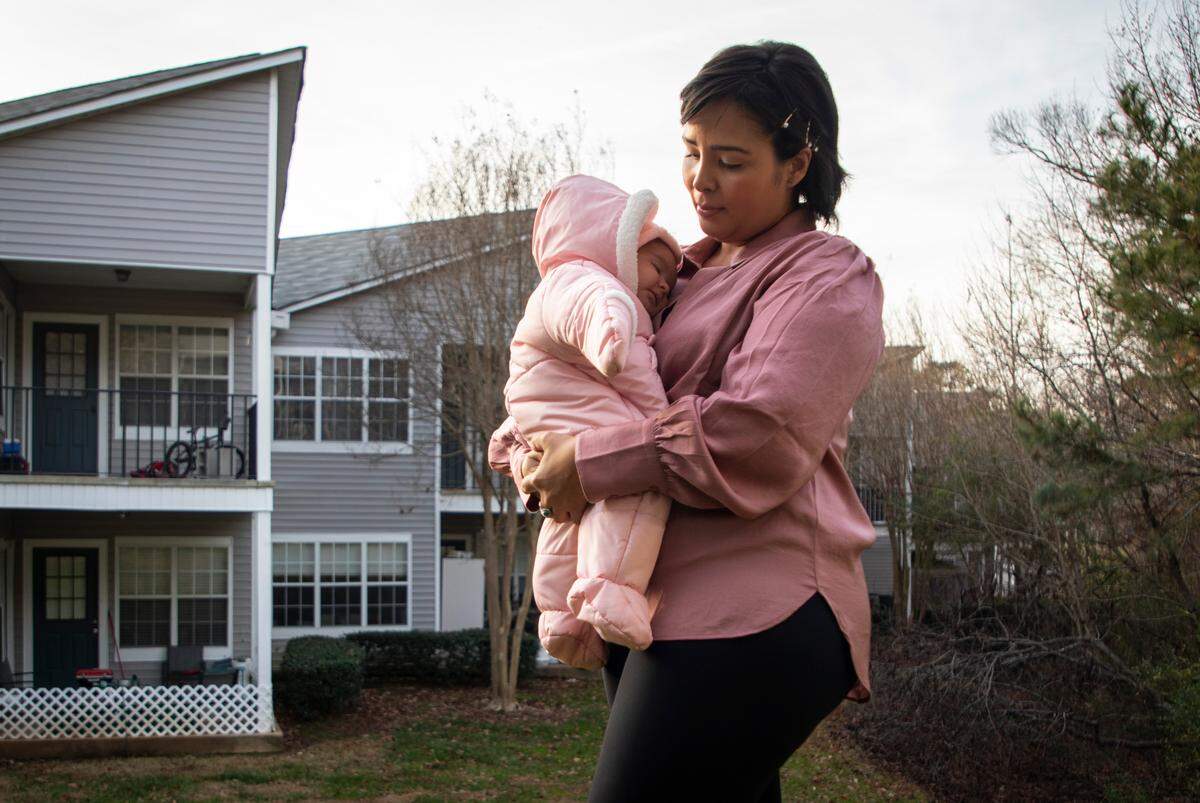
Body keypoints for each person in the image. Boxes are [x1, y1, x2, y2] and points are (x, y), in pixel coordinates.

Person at [513, 40, 886, 802]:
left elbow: (758, 430)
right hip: (655, 603)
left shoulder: (824, 275)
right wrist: (533, 452)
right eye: (690, 152)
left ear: (798, 161)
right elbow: (586, 378)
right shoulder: (674, 267)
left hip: (763, 606)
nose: (700, 180)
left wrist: (587, 463)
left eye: (731, 160)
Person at [488, 174, 683, 670]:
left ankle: (559, 619)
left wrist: (512, 435)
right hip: (585, 425)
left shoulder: (573, 284)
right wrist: (610, 335)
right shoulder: (590, 283)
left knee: (568, 521)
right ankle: (611, 589)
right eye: (657, 265)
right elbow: (595, 311)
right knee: (635, 492)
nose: (664, 283)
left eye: (670, 276)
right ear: (614, 246)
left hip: (559, 418)